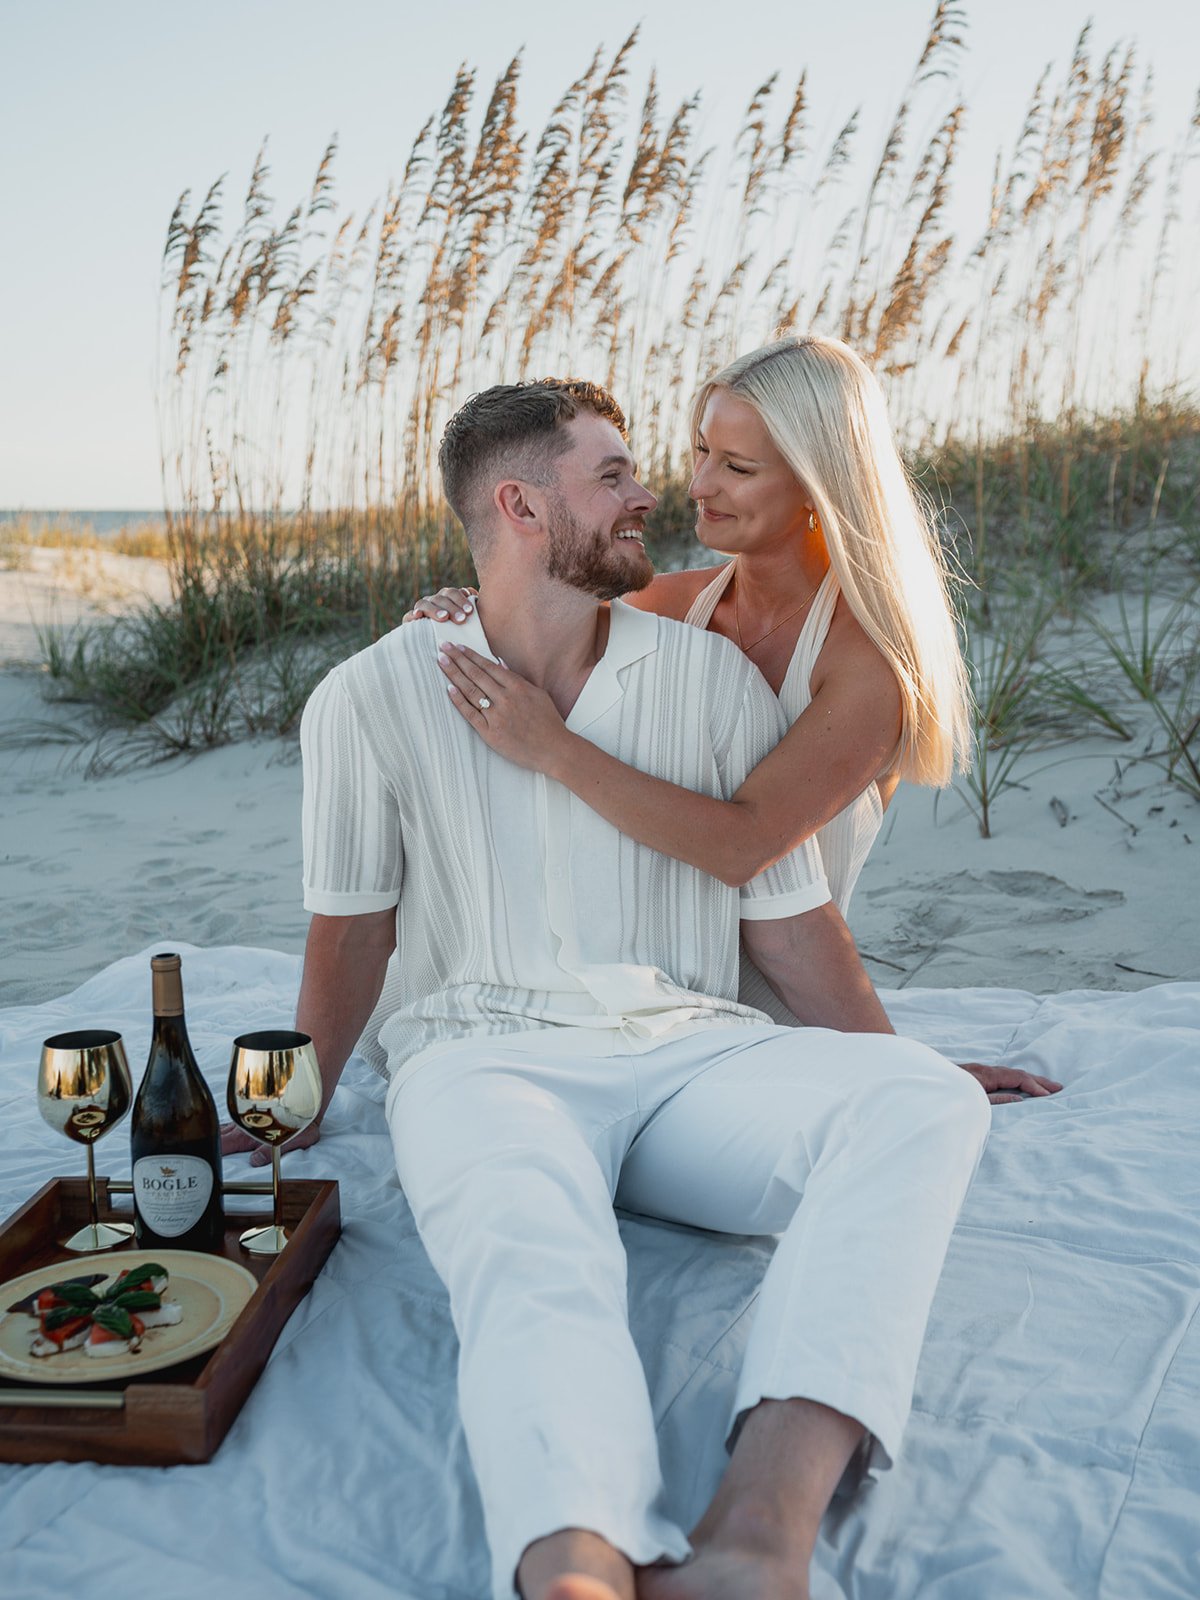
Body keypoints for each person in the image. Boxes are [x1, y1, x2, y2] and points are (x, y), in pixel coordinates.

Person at [226, 376, 1051, 1600]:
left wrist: (893, 1059)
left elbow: (782, 911)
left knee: (922, 1105)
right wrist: (289, 1102)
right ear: (519, 504)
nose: (654, 489)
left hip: (692, 1053)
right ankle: (576, 1558)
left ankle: (760, 1535)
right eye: (613, 474)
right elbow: (351, 934)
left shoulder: (711, 680)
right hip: (481, 1054)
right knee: (528, 1237)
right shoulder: (371, 695)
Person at [408, 335, 995, 1053]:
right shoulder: (663, 603)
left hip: (773, 1010)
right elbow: (519, 647)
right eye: (700, 452)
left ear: (820, 485)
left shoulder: (864, 665)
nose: (697, 487)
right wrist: (454, 615)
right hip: (639, 987)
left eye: (737, 467)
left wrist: (555, 750)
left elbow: (744, 847)